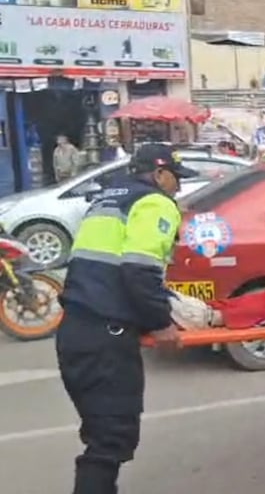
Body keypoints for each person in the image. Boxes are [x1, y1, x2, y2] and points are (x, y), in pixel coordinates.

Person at [55, 143, 198, 494]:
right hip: (106, 337)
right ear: (159, 174)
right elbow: (139, 269)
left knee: (102, 435)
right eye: (175, 179)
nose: (178, 187)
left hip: (76, 330)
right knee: (110, 442)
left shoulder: (106, 200)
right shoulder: (154, 202)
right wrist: (162, 322)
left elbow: (107, 265)